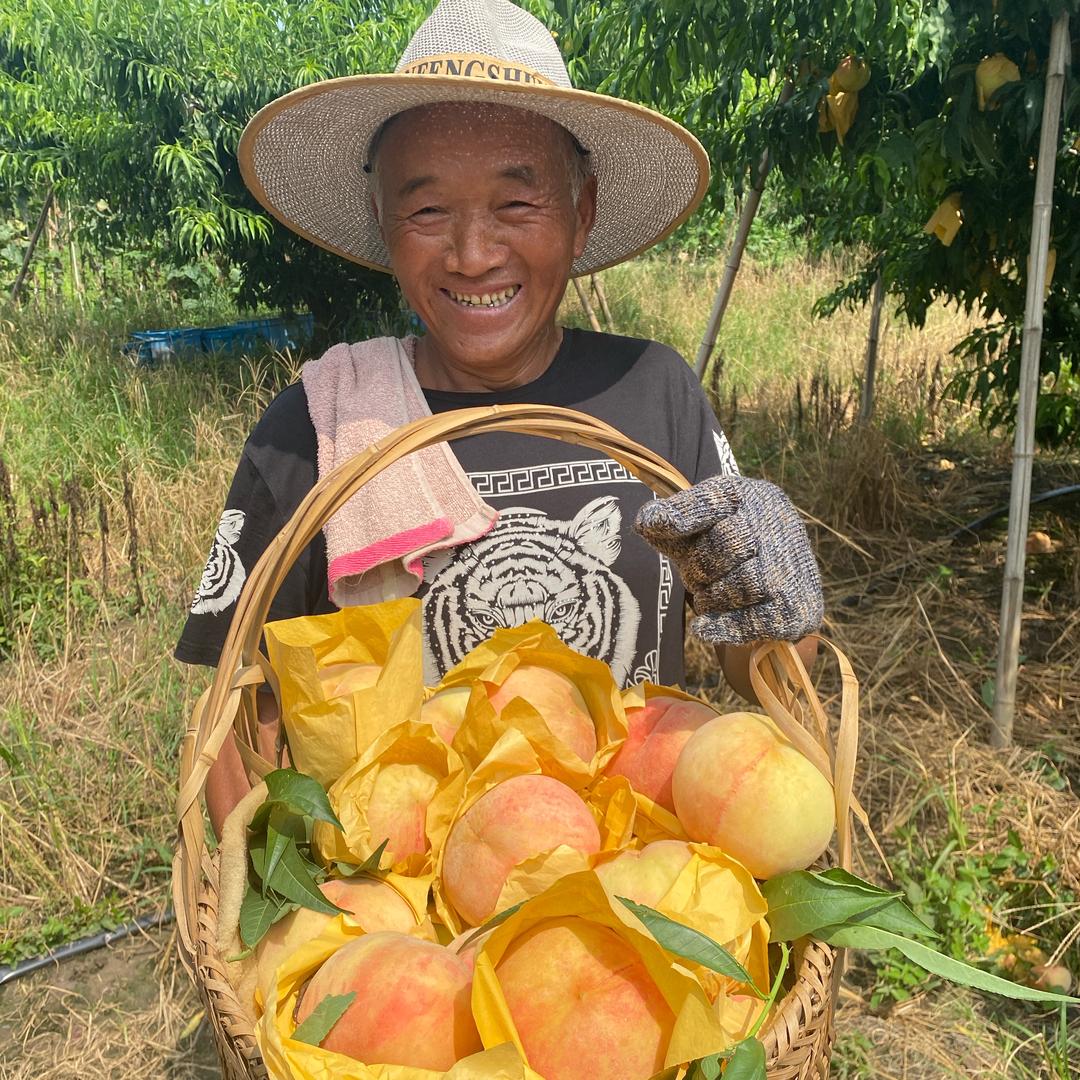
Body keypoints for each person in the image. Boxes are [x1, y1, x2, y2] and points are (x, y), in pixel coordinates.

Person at [175, 0, 823, 835]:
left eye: (517, 204)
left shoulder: (653, 390)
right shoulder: (320, 427)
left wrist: (778, 591)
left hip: (631, 871)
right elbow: (240, 724)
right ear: (382, 221)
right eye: (427, 211)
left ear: (583, 213)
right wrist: (253, 905)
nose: (473, 255)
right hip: (401, 883)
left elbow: (759, 666)